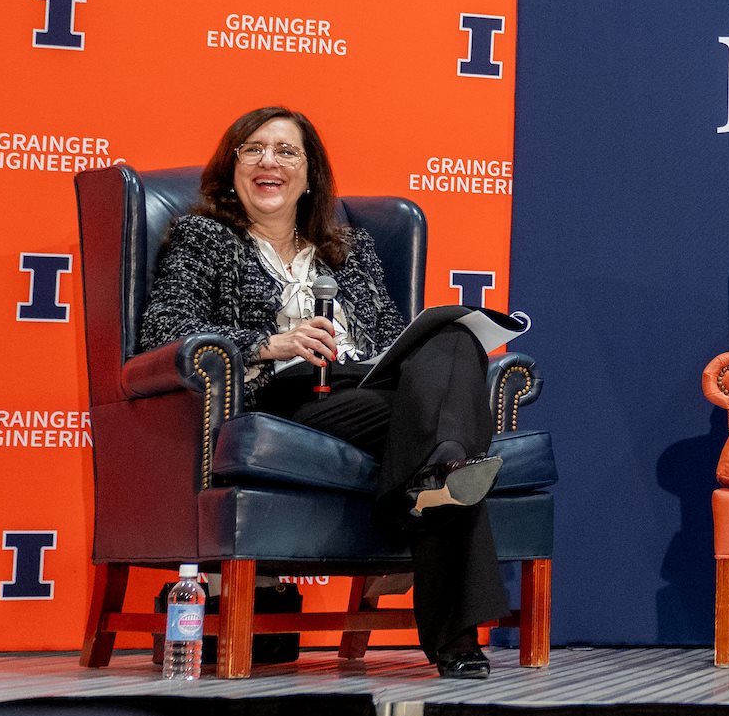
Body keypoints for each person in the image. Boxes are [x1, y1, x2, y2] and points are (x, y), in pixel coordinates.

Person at [140, 106, 512, 680]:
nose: (270, 161)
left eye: (286, 151)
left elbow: (396, 340)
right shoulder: (203, 239)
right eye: (254, 149)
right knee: (437, 418)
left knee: (454, 339)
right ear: (232, 167)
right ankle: (452, 595)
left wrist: (409, 348)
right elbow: (165, 335)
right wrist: (272, 341)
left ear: (310, 175)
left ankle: (440, 470)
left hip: (367, 389)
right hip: (286, 399)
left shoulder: (351, 249)